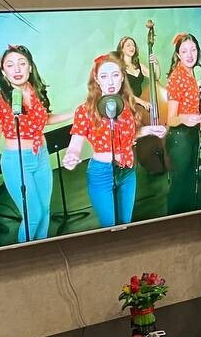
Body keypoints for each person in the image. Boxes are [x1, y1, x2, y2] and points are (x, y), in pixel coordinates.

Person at [0, 45, 72, 242]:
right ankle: (25, 254)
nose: (17, 69)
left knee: (45, 211)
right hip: (17, 162)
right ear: (3, 71)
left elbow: (44, 119)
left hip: (41, 155)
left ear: (30, 67)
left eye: (22, 63)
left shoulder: (36, 91)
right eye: (10, 65)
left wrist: (73, 114)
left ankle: (41, 252)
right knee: (33, 215)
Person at [61, 53, 167, 227]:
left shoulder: (126, 104)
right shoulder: (85, 110)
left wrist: (149, 130)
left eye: (115, 75)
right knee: (110, 226)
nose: (110, 82)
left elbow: (128, 135)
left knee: (125, 223)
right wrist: (71, 155)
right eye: (104, 76)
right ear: (97, 79)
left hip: (127, 172)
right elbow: (75, 144)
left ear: (122, 77)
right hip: (102, 173)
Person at [165, 32, 201, 213]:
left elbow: (192, 98)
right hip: (179, 137)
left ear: (198, 51)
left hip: (192, 133)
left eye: (193, 49)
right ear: (178, 55)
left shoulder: (195, 72)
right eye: (184, 51)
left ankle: (188, 219)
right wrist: (184, 118)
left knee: (191, 180)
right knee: (180, 185)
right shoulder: (176, 77)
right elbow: (171, 119)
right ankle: (173, 222)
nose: (189, 55)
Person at [116, 36, 152, 113]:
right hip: (124, 105)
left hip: (137, 106)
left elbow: (154, 77)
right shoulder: (119, 68)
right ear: (122, 49)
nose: (132, 47)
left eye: (133, 45)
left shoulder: (139, 65)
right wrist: (142, 102)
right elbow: (123, 92)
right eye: (128, 45)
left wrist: (156, 64)